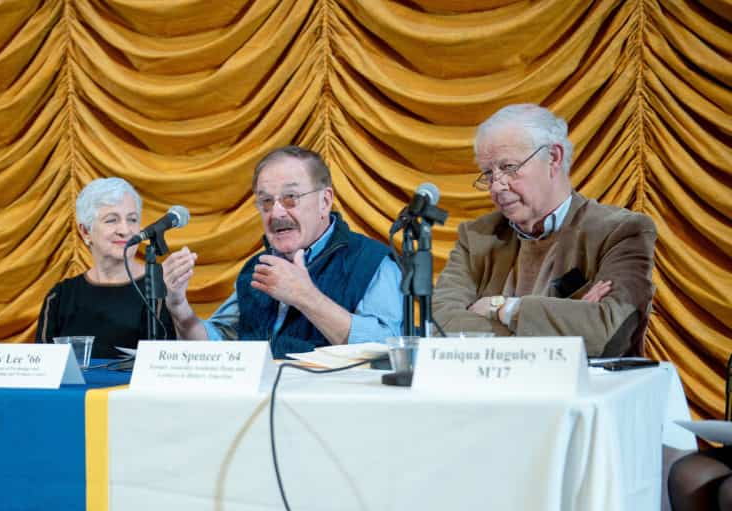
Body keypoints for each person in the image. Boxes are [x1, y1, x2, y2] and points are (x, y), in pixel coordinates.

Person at [431, 104, 656, 357]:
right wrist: (567, 323)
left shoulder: (619, 232)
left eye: (508, 168)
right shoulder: (477, 236)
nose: (496, 186)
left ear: (553, 158)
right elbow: (441, 327)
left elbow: (608, 335)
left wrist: (503, 308)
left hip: (582, 391)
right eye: (488, 173)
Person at [162, 146, 402, 357]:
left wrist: (306, 297)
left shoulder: (372, 261)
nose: (276, 213)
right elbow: (216, 348)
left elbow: (388, 350)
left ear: (325, 201)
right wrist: (179, 306)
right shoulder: (257, 269)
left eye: (291, 198)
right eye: (266, 201)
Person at [35, 178, 175, 358]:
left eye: (132, 219)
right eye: (111, 220)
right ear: (85, 231)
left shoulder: (160, 289)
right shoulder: (60, 296)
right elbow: (44, 369)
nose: (125, 230)